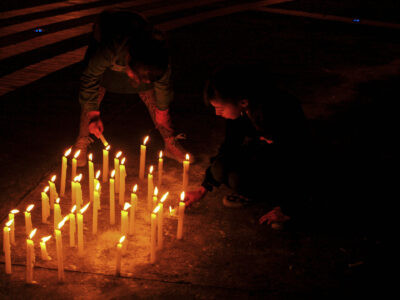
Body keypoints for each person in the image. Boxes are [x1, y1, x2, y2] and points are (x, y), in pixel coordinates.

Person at [184, 65, 311, 228]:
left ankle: (283, 204)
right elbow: (230, 145)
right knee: (220, 167)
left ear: (243, 101)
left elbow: (298, 158)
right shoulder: (241, 112)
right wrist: (203, 188)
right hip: (266, 153)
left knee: (238, 179)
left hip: (290, 162)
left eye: (220, 108)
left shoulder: (279, 111)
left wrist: (288, 209)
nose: (217, 113)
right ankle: (260, 190)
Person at [73, 9, 193, 166]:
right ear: (129, 60)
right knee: (92, 96)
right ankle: (81, 143)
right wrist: (93, 113)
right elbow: (90, 77)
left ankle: (170, 143)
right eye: (135, 76)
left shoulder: (157, 55)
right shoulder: (112, 46)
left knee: (155, 100)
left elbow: (163, 87)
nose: (136, 81)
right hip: (105, 70)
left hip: (139, 63)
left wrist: (162, 112)